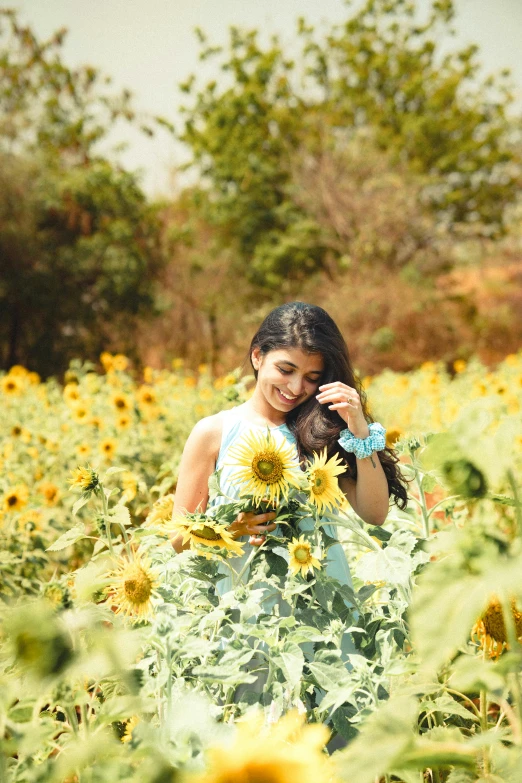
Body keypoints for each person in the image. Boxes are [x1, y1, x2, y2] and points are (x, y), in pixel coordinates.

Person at [170, 302, 409, 582]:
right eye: (286, 370)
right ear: (257, 356)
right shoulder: (213, 433)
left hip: (322, 605)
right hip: (243, 610)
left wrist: (360, 431)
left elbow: (374, 513)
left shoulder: (323, 432)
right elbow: (178, 540)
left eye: (311, 378)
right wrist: (235, 528)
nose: (296, 388)